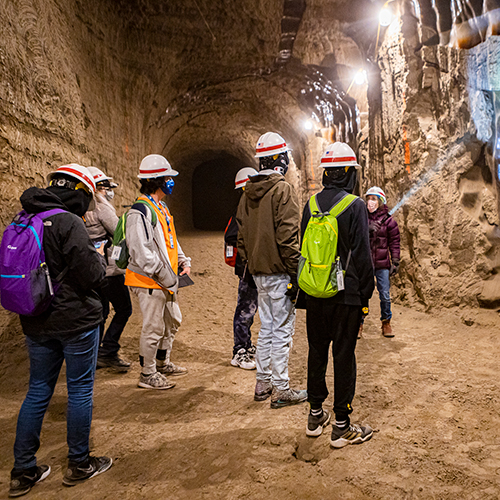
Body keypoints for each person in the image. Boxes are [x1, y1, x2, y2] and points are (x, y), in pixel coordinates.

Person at [9, 164, 112, 498]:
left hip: (35, 319)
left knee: (38, 390)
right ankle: (79, 463)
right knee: (80, 390)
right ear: (79, 192)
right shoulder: (68, 221)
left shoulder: (23, 218)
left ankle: (23, 470)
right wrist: (98, 258)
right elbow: (92, 276)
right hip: (75, 321)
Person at [300, 142, 374, 447]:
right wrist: (365, 298)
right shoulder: (355, 205)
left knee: (316, 353)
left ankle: (315, 415)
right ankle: (341, 425)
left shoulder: (311, 204)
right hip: (346, 297)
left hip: (315, 293)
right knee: (344, 357)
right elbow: (363, 257)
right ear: (347, 173)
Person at [237, 132, 307, 409]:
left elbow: (241, 239)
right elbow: (288, 237)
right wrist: (295, 273)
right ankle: (281, 389)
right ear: (280, 159)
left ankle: (263, 382)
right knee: (282, 331)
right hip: (279, 272)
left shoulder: (246, 194)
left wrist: (253, 264)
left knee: (266, 327)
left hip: (258, 273)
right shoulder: (283, 190)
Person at [124, 154, 191, 390]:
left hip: (166, 279)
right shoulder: (139, 212)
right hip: (150, 280)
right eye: (168, 178)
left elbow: (170, 239)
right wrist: (162, 274)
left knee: (172, 321)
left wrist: (182, 260)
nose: (171, 182)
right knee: (153, 327)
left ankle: (162, 363)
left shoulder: (160, 207)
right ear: (156, 180)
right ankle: (148, 373)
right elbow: (140, 252)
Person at [85, 167, 132, 371]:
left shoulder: (80, 207)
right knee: (124, 309)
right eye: (106, 188)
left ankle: (93, 354)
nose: (109, 192)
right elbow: (119, 232)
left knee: (101, 311)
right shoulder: (101, 207)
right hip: (109, 271)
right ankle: (108, 350)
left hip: (91, 270)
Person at [224, 167, 259, 370]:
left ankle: (246, 345)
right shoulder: (242, 209)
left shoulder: (249, 208)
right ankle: (239, 350)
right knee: (245, 309)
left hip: (252, 267)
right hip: (246, 269)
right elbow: (231, 236)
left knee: (251, 309)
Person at [363, 186, 400, 338]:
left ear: (381, 201)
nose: (370, 202)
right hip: (365, 263)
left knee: (384, 294)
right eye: (368, 198)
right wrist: (367, 229)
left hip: (382, 264)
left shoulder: (389, 221)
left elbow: (395, 241)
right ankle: (359, 322)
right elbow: (354, 235)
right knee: (363, 294)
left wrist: (396, 260)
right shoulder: (362, 218)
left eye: (374, 199)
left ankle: (386, 322)